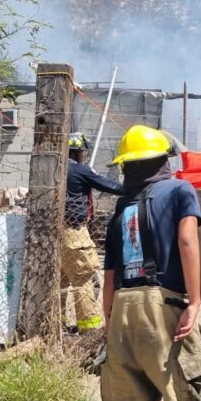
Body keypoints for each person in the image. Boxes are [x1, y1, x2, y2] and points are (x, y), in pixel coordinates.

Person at [100, 124, 201, 401]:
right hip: (163, 305)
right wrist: (194, 302)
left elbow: (109, 276)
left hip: (122, 309)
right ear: (164, 159)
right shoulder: (180, 190)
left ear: (127, 167)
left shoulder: (121, 208)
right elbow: (187, 242)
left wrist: (110, 324)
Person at [63, 132, 122, 332]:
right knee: (84, 278)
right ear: (79, 152)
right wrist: (135, 187)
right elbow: (110, 185)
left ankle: (55, 325)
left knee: (59, 280)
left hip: (52, 234)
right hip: (73, 231)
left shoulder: (57, 168)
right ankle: (89, 328)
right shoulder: (80, 169)